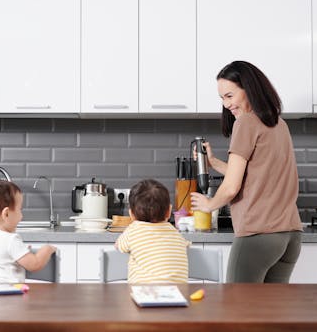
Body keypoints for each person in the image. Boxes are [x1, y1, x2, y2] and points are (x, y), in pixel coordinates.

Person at [190, 60, 303, 283]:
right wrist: (213, 162)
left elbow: (231, 186)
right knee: (272, 313)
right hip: (289, 236)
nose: (226, 104)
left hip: (258, 235)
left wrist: (209, 205)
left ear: (248, 89)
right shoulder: (279, 124)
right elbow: (255, 174)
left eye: (230, 96)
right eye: (222, 98)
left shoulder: (245, 123)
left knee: (238, 309)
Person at [0, 180, 56, 283]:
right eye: (20, 209)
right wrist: (47, 249)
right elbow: (35, 264)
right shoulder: (11, 240)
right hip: (6, 295)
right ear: (6, 214)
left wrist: (22, 252)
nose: (21, 216)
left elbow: (3, 257)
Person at [115, 179, 191, 283]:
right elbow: (186, 244)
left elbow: (119, 246)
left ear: (131, 214)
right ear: (169, 212)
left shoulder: (133, 230)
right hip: (178, 295)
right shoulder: (174, 232)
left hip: (143, 295)